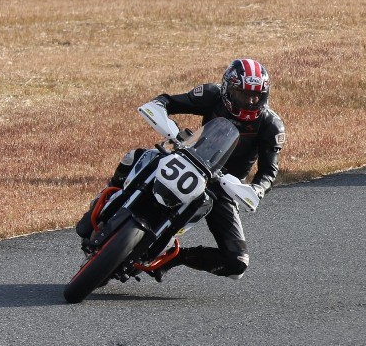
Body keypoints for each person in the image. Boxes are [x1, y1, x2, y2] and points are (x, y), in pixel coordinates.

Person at [76, 59, 284, 279]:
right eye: (243, 94)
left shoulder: (271, 125)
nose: (250, 102)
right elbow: (168, 101)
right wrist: (162, 114)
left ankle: (174, 257)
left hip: (223, 187)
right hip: (189, 157)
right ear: (228, 90)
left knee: (237, 263)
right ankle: (108, 197)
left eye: (256, 96)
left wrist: (256, 189)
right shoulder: (211, 94)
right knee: (136, 156)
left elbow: (269, 171)